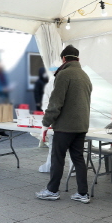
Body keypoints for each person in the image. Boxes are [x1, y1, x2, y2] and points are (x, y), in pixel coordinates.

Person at [36, 45, 92, 204]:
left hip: (65, 126)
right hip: (81, 126)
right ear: (78, 59)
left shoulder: (63, 74)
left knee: (57, 158)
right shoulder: (85, 76)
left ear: (64, 59)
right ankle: (83, 193)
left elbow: (56, 102)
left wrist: (45, 123)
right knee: (78, 159)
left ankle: (52, 190)